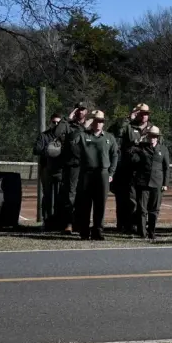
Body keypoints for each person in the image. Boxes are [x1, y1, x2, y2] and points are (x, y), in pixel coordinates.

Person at [74, 110, 119, 240]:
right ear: (91, 121)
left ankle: (98, 231)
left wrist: (111, 172)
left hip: (102, 174)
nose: (99, 123)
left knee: (100, 205)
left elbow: (115, 155)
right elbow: (72, 141)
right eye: (96, 120)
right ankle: (84, 231)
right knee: (85, 204)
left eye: (101, 121)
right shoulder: (83, 135)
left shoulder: (109, 137)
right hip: (86, 173)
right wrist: (83, 126)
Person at [52, 101, 89, 232]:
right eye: (78, 109)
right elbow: (56, 133)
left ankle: (81, 223)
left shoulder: (89, 126)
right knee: (70, 195)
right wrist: (67, 118)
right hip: (72, 166)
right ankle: (69, 223)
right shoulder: (68, 125)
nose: (80, 111)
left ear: (86, 111)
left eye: (83, 109)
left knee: (84, 195)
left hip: (87, 166)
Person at [114, 104, 151, 233]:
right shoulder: (128, 127)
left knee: (144, 201)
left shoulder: (152, 128)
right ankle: (128, 225)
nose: (143, 116)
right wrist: (128, 119)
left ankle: (140, 224)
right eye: (141, 113)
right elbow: (117, 133)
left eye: (146, 113)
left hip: (145, 171)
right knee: (130, 199)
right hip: (129, 170)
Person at [130, 125, 170, 240]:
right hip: (143, 183)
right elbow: (130, 150)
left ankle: (152, 232)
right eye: (150, 136)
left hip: (157, 183)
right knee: (142, 209)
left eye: (154, 136)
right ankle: (142, 233)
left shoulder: (163, 149)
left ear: (158, 137)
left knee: (154, 210)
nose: (152, 138)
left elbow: (166, 167)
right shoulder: (142, 147)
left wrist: (165, 184)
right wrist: (140, 139)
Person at [32, 113, 64, 228]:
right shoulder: (44, 136)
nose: (55, 124)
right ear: (50, 122)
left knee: (60, 196)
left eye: (58, 122)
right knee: (48, 195)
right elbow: (36, 150)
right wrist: (49, 150)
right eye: (53, 122)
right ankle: (47, 221)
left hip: (60, 171)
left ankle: (59, 221)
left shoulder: (63, 137)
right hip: (47, 170)